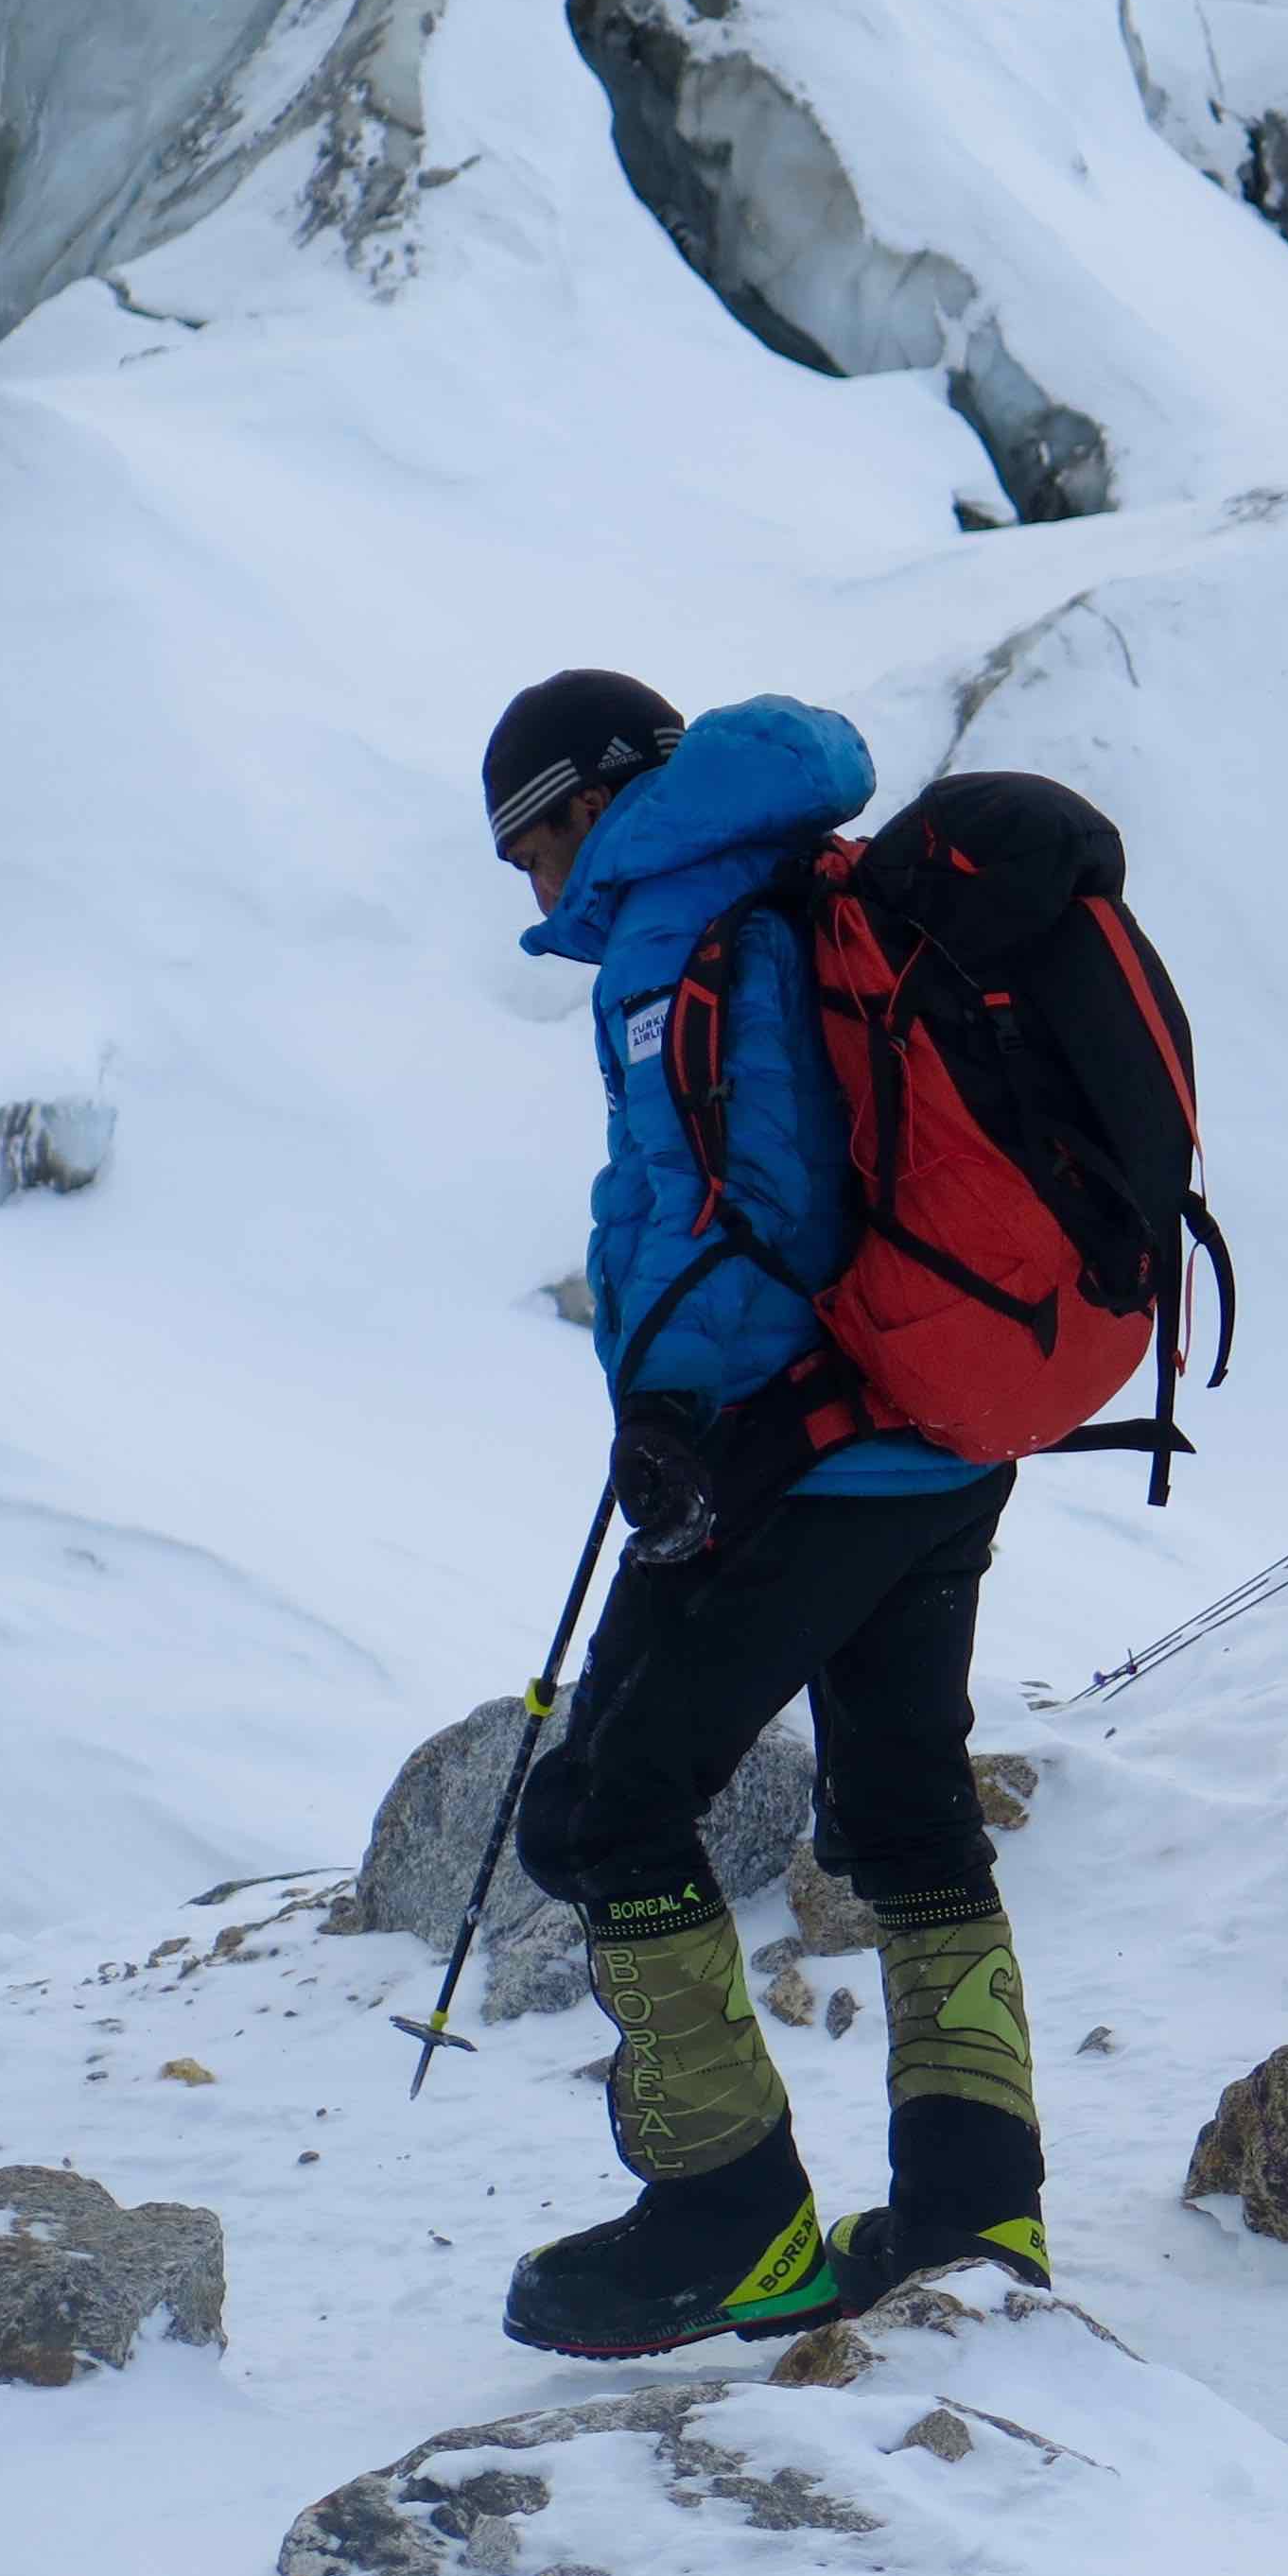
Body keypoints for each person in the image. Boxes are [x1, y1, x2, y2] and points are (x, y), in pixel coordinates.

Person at [480, 668, 1049, 2361]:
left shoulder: (682, 920)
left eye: (525, 847)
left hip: (798, 1445)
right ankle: (975, 2203)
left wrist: (676, 1416)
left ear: (579, 810)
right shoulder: (813, 877)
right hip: (941, 1427)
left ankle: (733, 2220)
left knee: (609, 1810)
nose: (530, 892)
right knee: (905, 1809)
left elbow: (753, 1204)